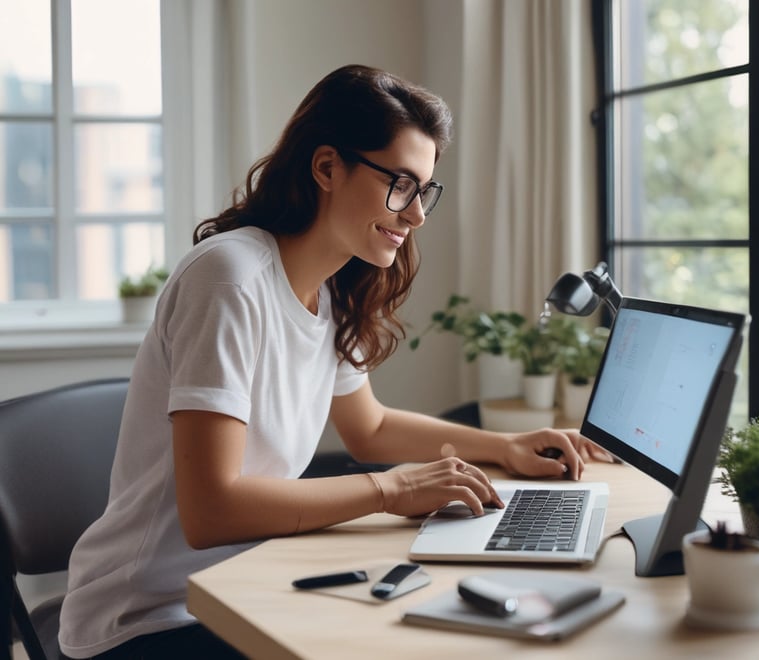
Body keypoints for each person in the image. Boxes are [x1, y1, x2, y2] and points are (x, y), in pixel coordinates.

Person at [58, 64, 610, 659]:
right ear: (327, 167)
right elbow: (210, 510)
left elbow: (368, 427)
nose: (416, 214)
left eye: (424, 190)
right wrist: (391, 488)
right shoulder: (230, 278)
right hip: (149, 617)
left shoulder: (333, 290)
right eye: (400, 183)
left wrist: (503, 446)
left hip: (247, 581)